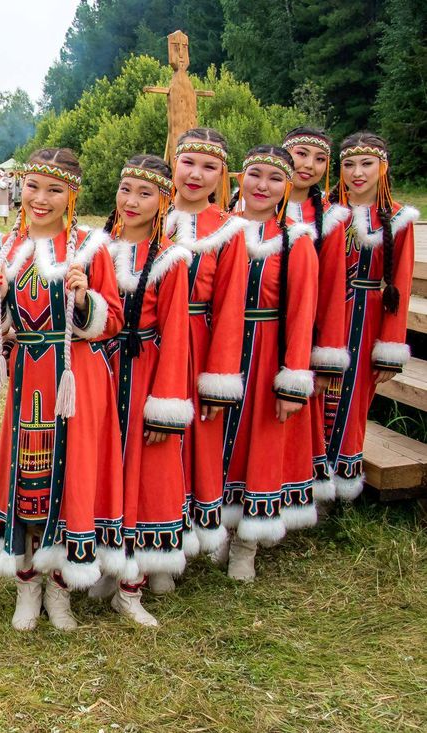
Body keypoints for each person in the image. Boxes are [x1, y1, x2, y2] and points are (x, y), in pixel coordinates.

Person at [0, 148, 124, 632]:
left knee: (73, 481)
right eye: (34, 187)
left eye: (54, 190)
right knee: (28, 477)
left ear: (72, 195)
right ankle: (26, 585)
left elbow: (113, 323)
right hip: (28, 379)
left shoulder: (90, 246)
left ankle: (62, 590)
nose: (41, 199)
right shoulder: (4, 246)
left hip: (75, 380)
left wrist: (85, 299)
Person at [102, 155, 193, 624]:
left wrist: (165, 407)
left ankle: (130, 587)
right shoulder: (98, 247)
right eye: (126, 189)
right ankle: (98, 565)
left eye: (145, 192)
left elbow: (177, 334)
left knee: (141, 475)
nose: (132, 201)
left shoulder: (172, 258)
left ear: (164, 200)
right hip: (99, 375)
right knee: (101, 471)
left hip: (145, 374)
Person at [222, 146, 318, 582]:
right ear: (241, 176)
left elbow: (302, 313)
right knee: (216, 444)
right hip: (217, 350)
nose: (262, 186)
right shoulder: (219, 230)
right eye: (255, 174)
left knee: (260, 447)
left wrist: (292, 380)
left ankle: (247, 545)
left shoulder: (295, 240)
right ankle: (216, 532)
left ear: (287, 186)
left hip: (265, 353)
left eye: (274, 179)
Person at [165, 128, 248, 561]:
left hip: (199, 342)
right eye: (188, 163)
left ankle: (186, 540)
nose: (196, 174)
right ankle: (147, 536)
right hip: (149, 348)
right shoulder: (145, 212)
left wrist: (218, 380)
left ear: (222, 174)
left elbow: (232, 307)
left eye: (209, 166)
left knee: (197, 442)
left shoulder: (231, 230)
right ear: (173, 162)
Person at [326, 133, 418, 501]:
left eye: (366, 164)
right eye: (348, 164)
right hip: (325, 317)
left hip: (365, 319)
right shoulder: (327, 211)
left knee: (351, 400)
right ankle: (305, 481)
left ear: (384, 168)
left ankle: (336, 488)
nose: (357, 173)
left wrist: (389, 348)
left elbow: (401, 286)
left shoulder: (397, 218)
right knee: (315, 400)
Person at [282, 128, 351, 512]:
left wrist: (324, 355)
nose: (308, 165)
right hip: (250, 332)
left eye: (319, 159)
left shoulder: (332, 219)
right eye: (300, 153)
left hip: (302, 333)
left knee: (295, 416)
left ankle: (293, 495)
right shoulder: (246, 205)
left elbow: (331, 293)